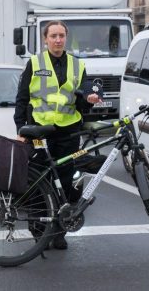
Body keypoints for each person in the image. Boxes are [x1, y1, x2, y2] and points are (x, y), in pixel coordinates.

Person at [14, 20, 101, 250]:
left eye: (62, 35)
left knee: (68, 182)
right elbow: (22, 99)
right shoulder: (34, 63)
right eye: (53, 36)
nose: (58, 40)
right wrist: (20, 129)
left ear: (66, 38)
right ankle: (39, 233)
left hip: (69, 132)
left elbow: (81, 100)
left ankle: (60, 231)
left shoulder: (77, 64)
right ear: (45, 39)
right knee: (39, 183)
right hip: (40, 131)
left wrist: (89, 101)